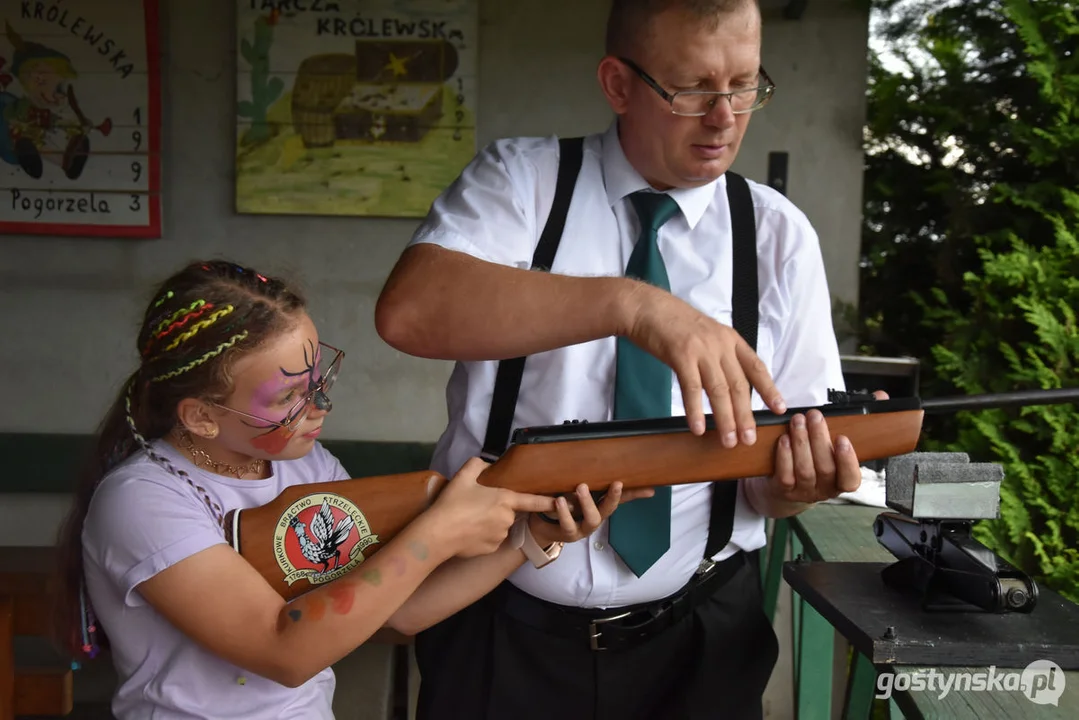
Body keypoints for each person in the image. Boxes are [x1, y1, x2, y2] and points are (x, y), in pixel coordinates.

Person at [373, 0, 882, 718]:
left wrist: (798, 487)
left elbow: (769, 481)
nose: (724, 117)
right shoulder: (523, 182)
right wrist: (637, 307)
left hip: (700, 641)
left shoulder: (775, 234)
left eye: (743, 85)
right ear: (617, 85)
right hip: (497, 626)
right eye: (693, 89)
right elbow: (408, 312)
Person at [51, 259, 647, 719]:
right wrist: (436, 535)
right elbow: (287, 651)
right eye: (288, 397)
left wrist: (525, 539)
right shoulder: (142, 500)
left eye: (317, 380)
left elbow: (394, 614)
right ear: (201, 417)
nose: (320, 406)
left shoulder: (308, 469)